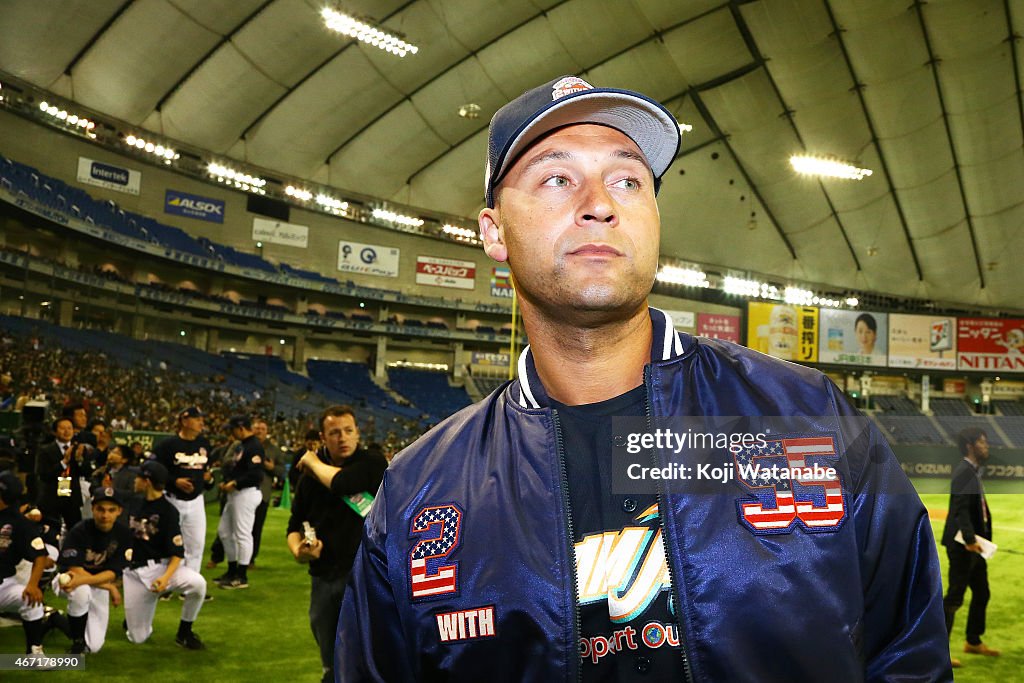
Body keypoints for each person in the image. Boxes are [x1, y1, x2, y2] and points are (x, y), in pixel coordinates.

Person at [337, 76, 950, 681]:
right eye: (557, 178)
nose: (600, 204)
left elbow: (909, 651)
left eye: (628, 181)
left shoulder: (806, 415)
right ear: (494, 231)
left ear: (654, 220)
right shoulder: (420, 488)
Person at [286, 405, 387, 683]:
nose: (342, 438)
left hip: (367, 577)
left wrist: (311, 461)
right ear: (323, 437)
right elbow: (294, 526)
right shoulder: (309, 483)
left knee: (370, 655)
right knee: (330, 658)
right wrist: (300, 551)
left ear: (358, 434)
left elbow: (343, 483)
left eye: (348, 431)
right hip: (324, 578)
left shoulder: (373, 463)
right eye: (334, 432)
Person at [123, 460, 206, 649]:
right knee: (138, 637)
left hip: (162, 569)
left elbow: (177, 553)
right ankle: (135, 617)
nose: (134, 480)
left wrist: (165, 579)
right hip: (134, 574)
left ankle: (185, 632)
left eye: (138, 477)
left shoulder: (168, 511)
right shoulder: (133, 501)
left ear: (147, 481)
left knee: (198, 584)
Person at [941, 427, 1000, 667]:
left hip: (975, 546)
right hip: (964, 546)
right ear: (970, 446)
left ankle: (973, 641)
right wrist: (969, 539)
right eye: (983, 442)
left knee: (982, 592)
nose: (986, 446)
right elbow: (960, 509)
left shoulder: (972, 472)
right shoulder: (964, 472)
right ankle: (939, 652)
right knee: (954, 598)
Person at [54, 486, 132, 654]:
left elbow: (113, 572)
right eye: (100, 509)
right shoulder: (80, 530)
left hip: (95, 583)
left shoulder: (124, 534)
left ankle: (54, 619)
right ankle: (77, 643)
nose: (105, 515)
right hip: (68, 580)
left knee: (94, 647)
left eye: (111, 510)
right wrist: (109, 586)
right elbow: (75, 570)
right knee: (81, 593)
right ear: (93, 509)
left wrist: (105, 585)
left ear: (119, 511)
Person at [153, 406, 213, 573]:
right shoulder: (168, 445)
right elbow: (153, 469)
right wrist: (174, 481)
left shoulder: (204, 444)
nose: (201, 422)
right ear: (184, 421)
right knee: (168, 542)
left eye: (201, 418)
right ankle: (166, 583)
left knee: (196, 544)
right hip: (172, 499)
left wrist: (208, 479)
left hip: (196, 501)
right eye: (196, 419)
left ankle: (191, 585)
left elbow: (207, 472)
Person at [0, 471, 49, 657]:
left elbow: (40, 554)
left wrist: (32, 585)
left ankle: (34, 653)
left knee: (31, 600)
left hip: (4, 584)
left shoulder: (20, 524)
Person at [214, 415, 264, 589]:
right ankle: (232, 569)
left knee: (243, 534)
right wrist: (228, 480)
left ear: (241, 428)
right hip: (236, 494)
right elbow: (237, 468)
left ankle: (241, 576)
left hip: (246, 493)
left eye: (233, 429)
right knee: (224, 532)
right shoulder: (243, 445)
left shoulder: (254, 446)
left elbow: (256, 474)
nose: (232, 432)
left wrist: (235, 483)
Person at [35, 417, 87, 532]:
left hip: (72, 498)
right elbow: (44, 475)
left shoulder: (79, 449)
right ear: (54, 431)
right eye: (63, 428)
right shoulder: (45, 450)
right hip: (52, 498)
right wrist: (63, 462)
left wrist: (80, 460)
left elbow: (86, 472)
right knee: (51, 532)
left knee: (76, 531)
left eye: (69, 428)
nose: (67, 431)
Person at [249, 417, 283, 568]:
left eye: (262, 429)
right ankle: (219, 556)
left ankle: (250, 560)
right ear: (252, 429)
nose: (259, 431)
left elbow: (282, 471)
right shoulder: (243, 444)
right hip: (241, 492)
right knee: (230, 528)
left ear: (267, 432)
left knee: (256, 529)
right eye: (257, 428)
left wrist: (271, 468)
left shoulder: (274, 450)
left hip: (263, 494)